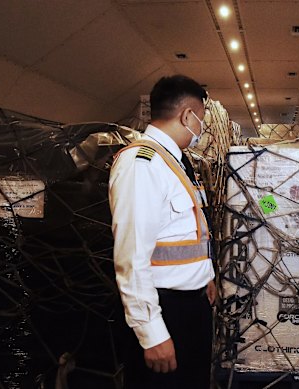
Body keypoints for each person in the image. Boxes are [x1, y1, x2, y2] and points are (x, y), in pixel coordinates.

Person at [109, 75, 215, 389]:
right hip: (165, 311)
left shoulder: (175, 162)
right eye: (201, 120)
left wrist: (204, 275)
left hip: (190, 305)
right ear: (187, 116)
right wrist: (151, 332)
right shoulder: (142, 164)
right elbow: (131, 258)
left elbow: (184, 231)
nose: (201, 128)